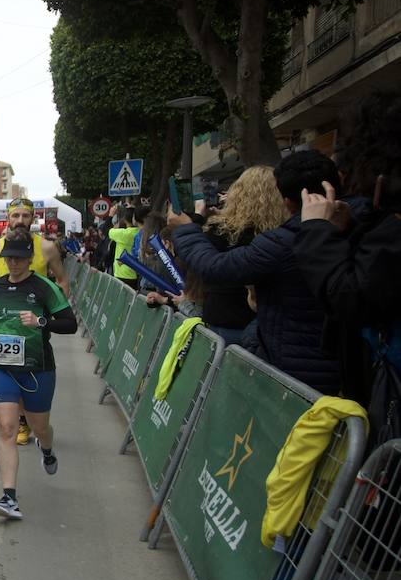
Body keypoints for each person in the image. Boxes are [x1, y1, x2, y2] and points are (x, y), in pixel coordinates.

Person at [167, 151, 342, 395]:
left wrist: (189, 227)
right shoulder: (346, 231)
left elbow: (211, 267)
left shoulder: (277, 242)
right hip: (317, 364)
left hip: (280, 359)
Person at [293, 91, 401, 420]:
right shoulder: (381, 224)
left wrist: (314, 230)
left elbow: (351, 296)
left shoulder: (394, 230)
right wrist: (347, 228)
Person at [0, 230, 78, 520]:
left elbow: (69, 324)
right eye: (10, 258)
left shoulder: (45, 287)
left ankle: (47, 448)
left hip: (37, 368)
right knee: (7, 428)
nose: (14, 264)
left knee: (39, 426)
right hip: (1, 366)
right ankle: (9, 497)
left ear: (30, 260)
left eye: (20, 258)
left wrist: (40, 321)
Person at [0, 197, 70, 446]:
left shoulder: (46, 248)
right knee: (9, 373)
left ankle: (35, 425)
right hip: (3, 320)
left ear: (33, 218)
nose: (20, 221)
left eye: (26, 216)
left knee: (32, 374)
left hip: (33, 321)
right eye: (16, 216)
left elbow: (61, 279)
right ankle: (20, 423)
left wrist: (53, 311)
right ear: (8, 217)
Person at [194, 167, 283, 345]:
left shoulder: (220, 230)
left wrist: (199, 218)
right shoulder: (279, 234)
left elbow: (197, 258)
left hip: (221, 315)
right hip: (262, 319)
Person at [107, 210, 139, 289]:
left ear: (125, 220)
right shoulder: (141, 232)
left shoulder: (122, 233)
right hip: (137, 273)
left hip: (122, 274)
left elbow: (107, 230)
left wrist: (111, 215)